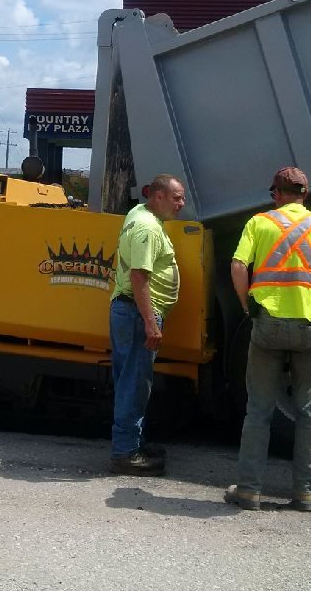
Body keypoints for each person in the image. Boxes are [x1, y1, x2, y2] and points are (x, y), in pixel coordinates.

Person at [225, 166, 311, 512]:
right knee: (310, 411)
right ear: (305, 194)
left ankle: (249, 490)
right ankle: (305, 493)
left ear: (277, 193)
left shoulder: (259, 223)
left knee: (259, 410)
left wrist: (246, 306)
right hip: (310, 328)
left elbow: (238, 266)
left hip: (267, 326)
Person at [109, 173, 186, 476]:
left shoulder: (139, 212)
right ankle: (125, 453)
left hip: (129, 313)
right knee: (134, 385)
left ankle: (134, 443)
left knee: (130, 381)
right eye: (176, 197)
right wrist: (151, 323)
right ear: (158, 197)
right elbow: (139, 277)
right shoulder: (146, 228)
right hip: (136, 314)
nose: (182, 203)